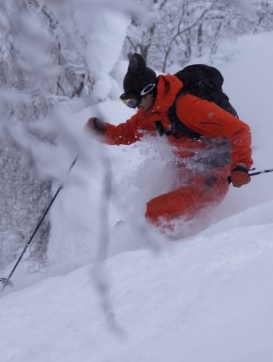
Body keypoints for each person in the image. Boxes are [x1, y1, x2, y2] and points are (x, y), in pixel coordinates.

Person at [86, 53, 252, 235]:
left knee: (157, 212)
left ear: (148, 91)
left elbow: (239, 130)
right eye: (127, 102)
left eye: (133, 101)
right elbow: (127, 133)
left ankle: (173, 255)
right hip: (187, 173)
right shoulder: (152, 112)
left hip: (212, 177)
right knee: (144, 218)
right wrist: (102, 131)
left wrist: (240, 166)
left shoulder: (188, 107)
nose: (134, 107)